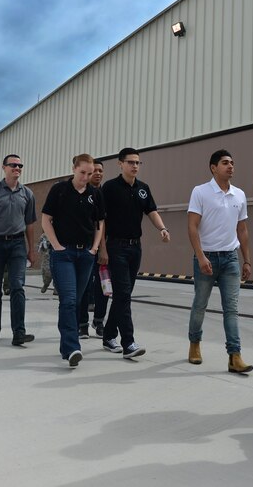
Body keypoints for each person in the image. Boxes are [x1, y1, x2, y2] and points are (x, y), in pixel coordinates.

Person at [186, 149, 253, 374]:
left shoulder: (239, 195)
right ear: (213, 167)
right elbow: (192, 226)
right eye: (225, 162)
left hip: (230, 259)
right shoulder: (200, 192)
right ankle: (194, 343)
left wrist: (247, 261)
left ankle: (235, 356)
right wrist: (201, 256)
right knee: (200, 305)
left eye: (232, 162)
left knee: (231, 309)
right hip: (206, 258)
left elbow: (242, 229)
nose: (231, 166)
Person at [100, 148, 170, 359]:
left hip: (135, 247)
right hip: (115, 247)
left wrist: (163, 228)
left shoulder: (143, 188)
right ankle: (128, 342)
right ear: (120, 164)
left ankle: (108, 335)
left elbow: (151, 211)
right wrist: (102, 248)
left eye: (138, 163)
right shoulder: (110, 188)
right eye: (130, 162)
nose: (135, 166)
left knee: (124, 295)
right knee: (123, 295)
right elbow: (100, 221)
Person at [41, 154, 104, 368]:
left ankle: (67, 345)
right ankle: (71, 348)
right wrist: (56, 245)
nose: (86, 177)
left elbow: (99, 222)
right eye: (82, 173)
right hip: (63, 254)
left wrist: (94, 248)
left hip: (85, 255)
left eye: (90, 173)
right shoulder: (59, 190)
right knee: (68, 300)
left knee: (76, 302)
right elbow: (45, 219)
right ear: (74, 169)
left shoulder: (95, 194)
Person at [0, 154, 38, 346]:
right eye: (13, 165)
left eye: (20, 165)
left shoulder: (27, 194)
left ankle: (19, 333)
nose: (17, 168)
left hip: (18, 245)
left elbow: (29, 224)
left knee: (17, 286)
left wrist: (31, 249)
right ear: (4, 167)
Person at [78, 159, 108, 337]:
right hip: (85, 248)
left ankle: (99, 322)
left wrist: (103, 248)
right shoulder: (82, 193)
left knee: (104, 286)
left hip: (103, 248)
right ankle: (82, 324)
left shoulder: (105, 193)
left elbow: (102, 224)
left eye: (100, 171)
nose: (97, 173)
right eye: (94, 170)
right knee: (85, 286)